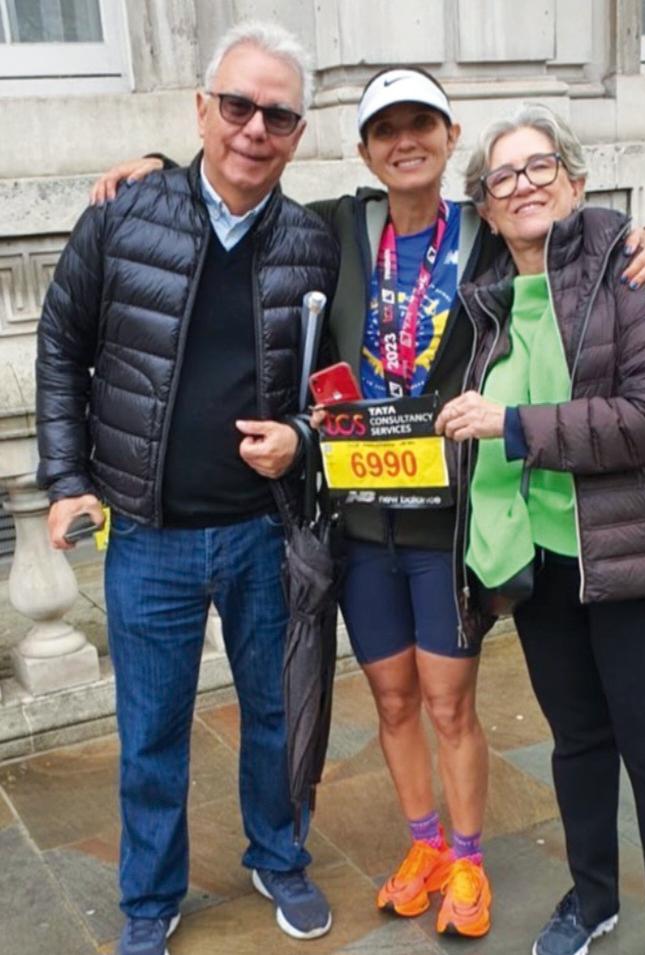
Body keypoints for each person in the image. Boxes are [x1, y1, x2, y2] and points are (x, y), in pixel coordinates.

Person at [90, 69, 645, 940]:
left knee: (449, 703)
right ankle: (425, 844)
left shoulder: (488, 230)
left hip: (447, 521)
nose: (404, 141)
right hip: (360, 519)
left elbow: (579, 235)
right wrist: (155, 164)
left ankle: (471, 859)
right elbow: (241, 193)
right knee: (393, 700)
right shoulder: (337, 227)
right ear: (364, 148)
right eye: (384, 129)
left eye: (422, 125)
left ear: (449, 141)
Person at [35, 21, 339, 955]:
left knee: (274, 714)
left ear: (298, 131)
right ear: (202, 108)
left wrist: (297, 438)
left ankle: (276, 852)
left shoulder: (314, 241)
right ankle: (149, 899)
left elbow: (331, 389)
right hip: (150, 534)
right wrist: (65, 477)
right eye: (238, 105)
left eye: (278, 114)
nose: (255, 128)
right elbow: (61, 350)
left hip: (263, 530)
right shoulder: (122, 216)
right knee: (152, 732)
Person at [436, 104, 645, 955]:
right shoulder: (484, 302)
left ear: (575, 179)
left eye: (539, 167)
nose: (522, 185)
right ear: (485, 207)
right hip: (544, 566)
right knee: (578, 744)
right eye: (502, 176)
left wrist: (515, 424)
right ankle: (592, 895)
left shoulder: (637, 273)